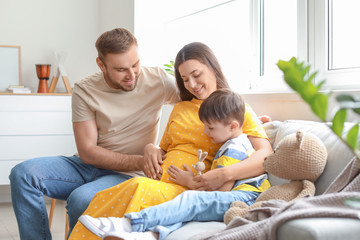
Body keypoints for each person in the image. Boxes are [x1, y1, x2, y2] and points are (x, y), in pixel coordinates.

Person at [68, 42, 273, 240]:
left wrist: (224, 174)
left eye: (196, 75)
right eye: (184, 79)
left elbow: (265, 155)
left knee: (137, 187)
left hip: (189, 188)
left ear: (212, 67)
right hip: (159, 179)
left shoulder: (236, 110)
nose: (192, 84)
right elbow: (164, 148)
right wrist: (151, 148)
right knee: (109, 195)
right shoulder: (181, 108)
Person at [9, 28, 179, 240]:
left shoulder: (159, 80)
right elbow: (88, 152)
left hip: (125, 175)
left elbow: (200, 101)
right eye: (120, 69)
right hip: (86, 165)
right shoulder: (85, 89)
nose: (132, 75)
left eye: (135, 65)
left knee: (81, 198)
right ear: (101, 65)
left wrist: (159, 149)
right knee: (23, 174)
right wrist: (141, 160)